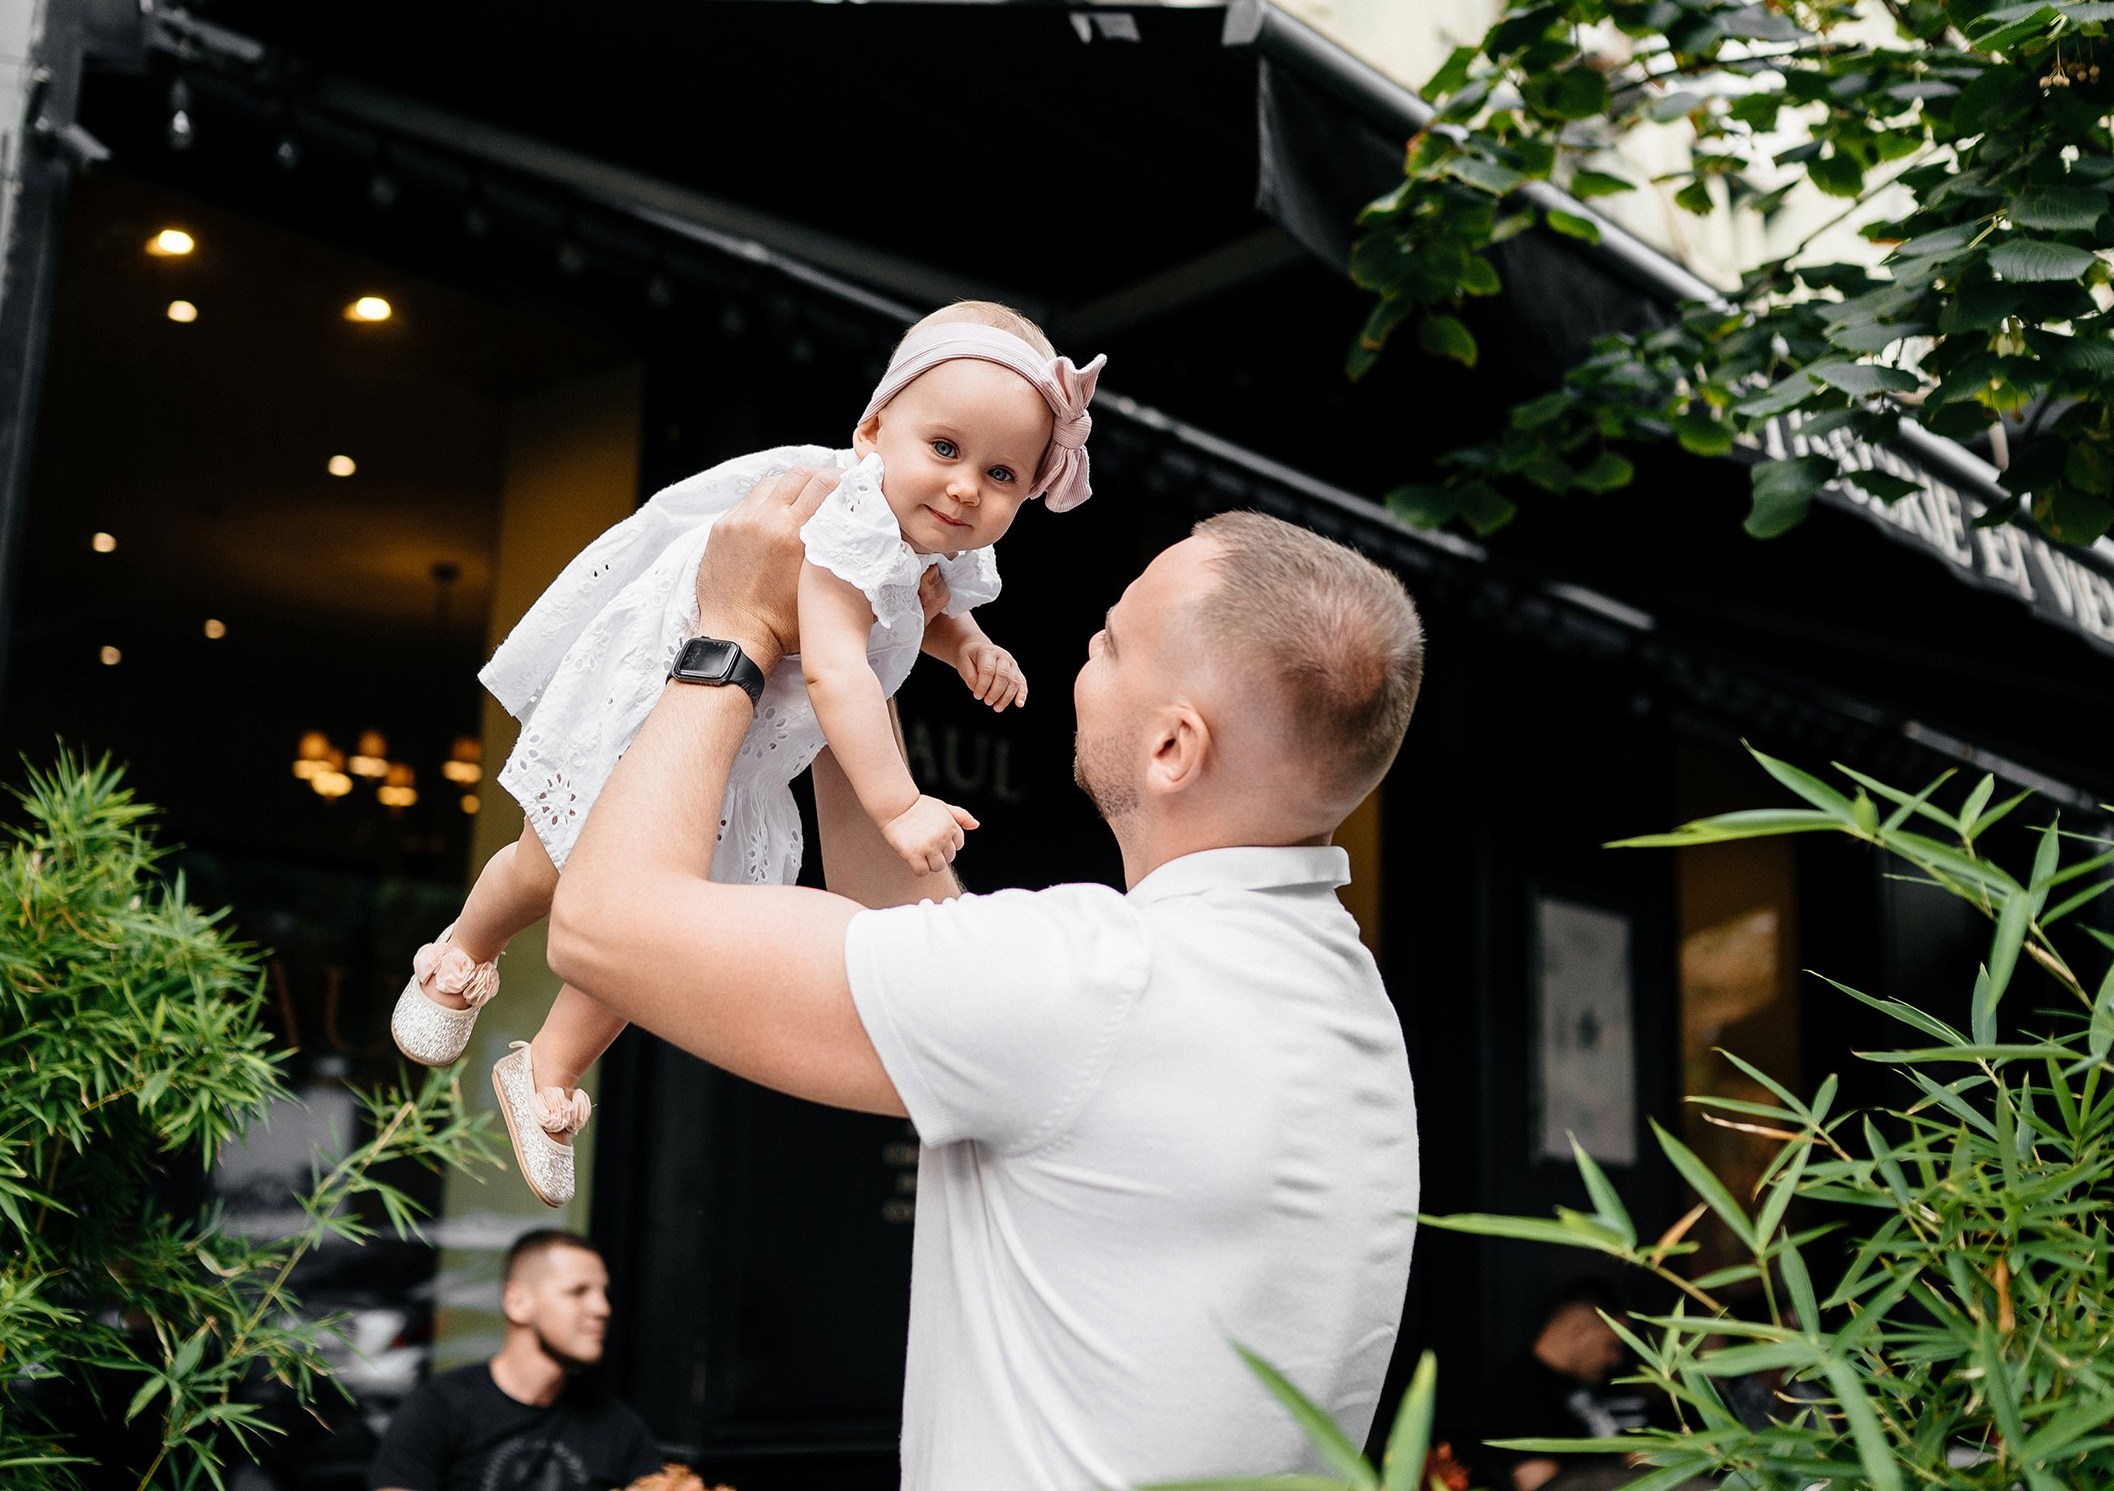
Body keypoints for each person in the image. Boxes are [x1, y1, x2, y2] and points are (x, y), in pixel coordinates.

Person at [541, 473, 1426, 1489]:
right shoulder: (1336, 993)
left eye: (1109, 644)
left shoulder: (1103, 981)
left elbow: (604, 925)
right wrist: (845, 675)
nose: (1082, 659)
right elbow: (936, 954)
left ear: (1175, 746)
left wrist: (733, 629)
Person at [387, 302, 1104, 1210]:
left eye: (1002, 473)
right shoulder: (845, 525)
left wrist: (965, 646)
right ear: (873, 430)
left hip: (740, 747)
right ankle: (464, 946)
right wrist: (896, 804)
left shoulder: (925, 544)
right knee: (545, 864)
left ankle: (551, 1070)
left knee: (659, 927)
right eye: (947, 449)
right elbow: (843, 670)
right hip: (663, 705)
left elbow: (921, 603)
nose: (966, 488)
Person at [368, 1229, 663, 1491]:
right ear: (517, 1303)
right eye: (578, 1292)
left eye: (604, 1293)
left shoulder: (621, 1428)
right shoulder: (438, 1409)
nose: (602, 1308)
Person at [1487, 1282, 1652, 1491]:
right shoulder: (1518, 1393)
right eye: (1612, 1345)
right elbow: (1541, 1485)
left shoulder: (1582, 1387)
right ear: (1578, 1330)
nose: (1616, 1359)